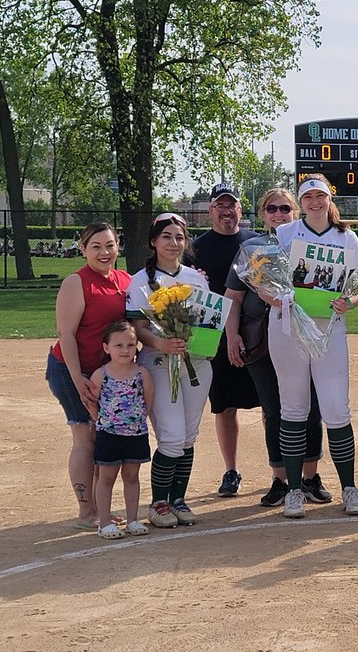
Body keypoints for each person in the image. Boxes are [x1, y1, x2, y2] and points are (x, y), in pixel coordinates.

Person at [223, 188, 332, 507]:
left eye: (286, 208)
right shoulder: (253, 247)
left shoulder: (309, 243)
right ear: (262, 213)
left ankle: (311, 477)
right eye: (272, 209)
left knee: (310, 409)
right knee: (273, 412)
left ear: (296, 213)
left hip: (303, 337)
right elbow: (234, 297)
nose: (279, 214)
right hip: (261, 339)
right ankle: (281, 479)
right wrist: (232, 335)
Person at [269, 175, 358, 519]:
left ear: (329, 198)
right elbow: (262, 282)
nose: (314, 202)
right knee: (293, 409)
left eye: (320, 196)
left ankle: (350, 488)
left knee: (337, 409)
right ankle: (294, 491)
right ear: (301, 201)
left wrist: (350, 301)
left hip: (329, 328)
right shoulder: (284, 234)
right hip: (288, 328)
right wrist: (278, 299)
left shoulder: (347, 236)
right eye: (308, 196)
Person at [126, 212, 213, 528]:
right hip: (159, 365)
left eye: (179, 237)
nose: (174, 243)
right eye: (166, 237)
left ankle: (178, 499)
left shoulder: (196, 278)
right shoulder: (140, 281)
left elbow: (208, 320)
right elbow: (137, 326)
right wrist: (161, 344)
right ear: (153, 241)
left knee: (188, 436)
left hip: (196, 365)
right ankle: (159, 503)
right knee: (172, 437)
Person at [47, 222, 132, 531]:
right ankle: (87, 513)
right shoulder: (77, 282)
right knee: (85, 436)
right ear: (83, 250)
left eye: (109, 245)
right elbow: (66, 335)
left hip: (102, 375)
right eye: (95, 246)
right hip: (71, 369)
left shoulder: (125, 280)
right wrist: (77, 378)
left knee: (100, 436)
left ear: (117, 247)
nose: (104, 252)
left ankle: (100, 508)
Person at [191, 182, 260, 497]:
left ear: (240, 210)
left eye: (231, 204)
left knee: (271, 405)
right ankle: (231, 470)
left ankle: (281, 471)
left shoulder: (254, 242)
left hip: (257, 335)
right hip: (215, 337)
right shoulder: (197, 248)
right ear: (211, 211)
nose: (226, 210)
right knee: (224, 406)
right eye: (220, 204)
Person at [90, 320, 153, 539]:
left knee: (132, 476)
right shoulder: (101, 374)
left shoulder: (141, 373)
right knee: (106, 478)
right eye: (118, 345)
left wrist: (136, 421)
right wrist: (103, 421)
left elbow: (148, 401)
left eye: (130, 345)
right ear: (106, 348)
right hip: (108, 435)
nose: (125, 350)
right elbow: (92, 401)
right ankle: (104, 522)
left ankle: (133, 519)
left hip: (135, 434)